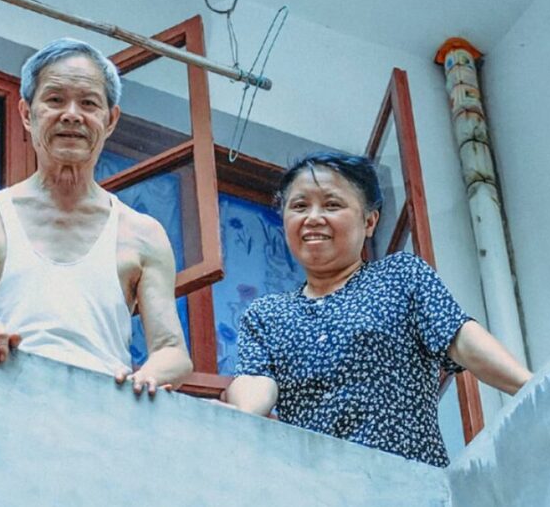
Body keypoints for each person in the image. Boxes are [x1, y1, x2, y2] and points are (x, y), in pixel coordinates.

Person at [224, 152, 532, 466]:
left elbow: (460, 338)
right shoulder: (267, 315)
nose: (313, 218)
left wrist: (532, 386)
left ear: (369, 221)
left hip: (411, 487)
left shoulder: (400, 276)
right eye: (299, 206)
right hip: (318, 491)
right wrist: (239, 414)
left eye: (332, 204)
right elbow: (255, 380)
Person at [0, 38, 192, 395]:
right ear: (27, 114)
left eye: (88, 103)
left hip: (103, 419)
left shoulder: (142, 233)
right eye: (55, 100)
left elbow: (171, 351)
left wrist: (147, 377)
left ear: (110, 119)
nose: (72, 114)